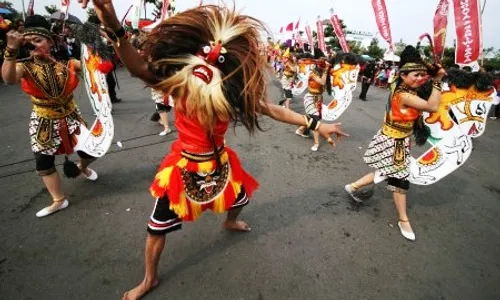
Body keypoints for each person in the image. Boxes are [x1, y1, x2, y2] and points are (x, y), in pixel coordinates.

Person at [77, 1, 348, 299]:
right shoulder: (178, 86)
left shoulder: (231, 97)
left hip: (220, 164)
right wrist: (113, 23)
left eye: (215, 63)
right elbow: (137, 66)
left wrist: (316, 123)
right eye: (202, 59)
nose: (207, 67)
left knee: (241, 195)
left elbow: (274, 110)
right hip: (183, 168)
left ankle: (230, 220)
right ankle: (149, 279)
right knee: (156, 228)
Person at [344, 46, 446, 241]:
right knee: (399, 180)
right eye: (416, 75)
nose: (420, 79)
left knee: (384, 172)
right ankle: (403, 219)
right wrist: (437, 81)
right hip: (394, 142)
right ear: (404, 75)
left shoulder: (400, 87)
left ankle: (353, 187)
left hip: (397, 138)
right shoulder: (404, 95)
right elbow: (433, 106)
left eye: (422, 75)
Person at [1, 15, 99, 217]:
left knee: (92, 151)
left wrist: (97, 44)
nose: (34, 45)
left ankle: (81, 168)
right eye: (29, 42)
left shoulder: (67, 63)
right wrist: (10, 51)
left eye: (38, 40)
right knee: (43, 162)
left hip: (71, 115)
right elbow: (9, 79)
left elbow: (94, 66)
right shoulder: (24, 66)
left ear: (50, 41)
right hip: (44, 120)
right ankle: (59, 199)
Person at [295, 56, 334, 151]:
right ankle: (316, 143)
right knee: (315, 120)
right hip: (310, 98)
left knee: (312, 118)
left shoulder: (324, 74)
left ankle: (300, 130)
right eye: (324, 66)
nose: (325, 68)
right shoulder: (312, 74)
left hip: (319, 99)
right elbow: (321, 82)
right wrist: (326, 69)